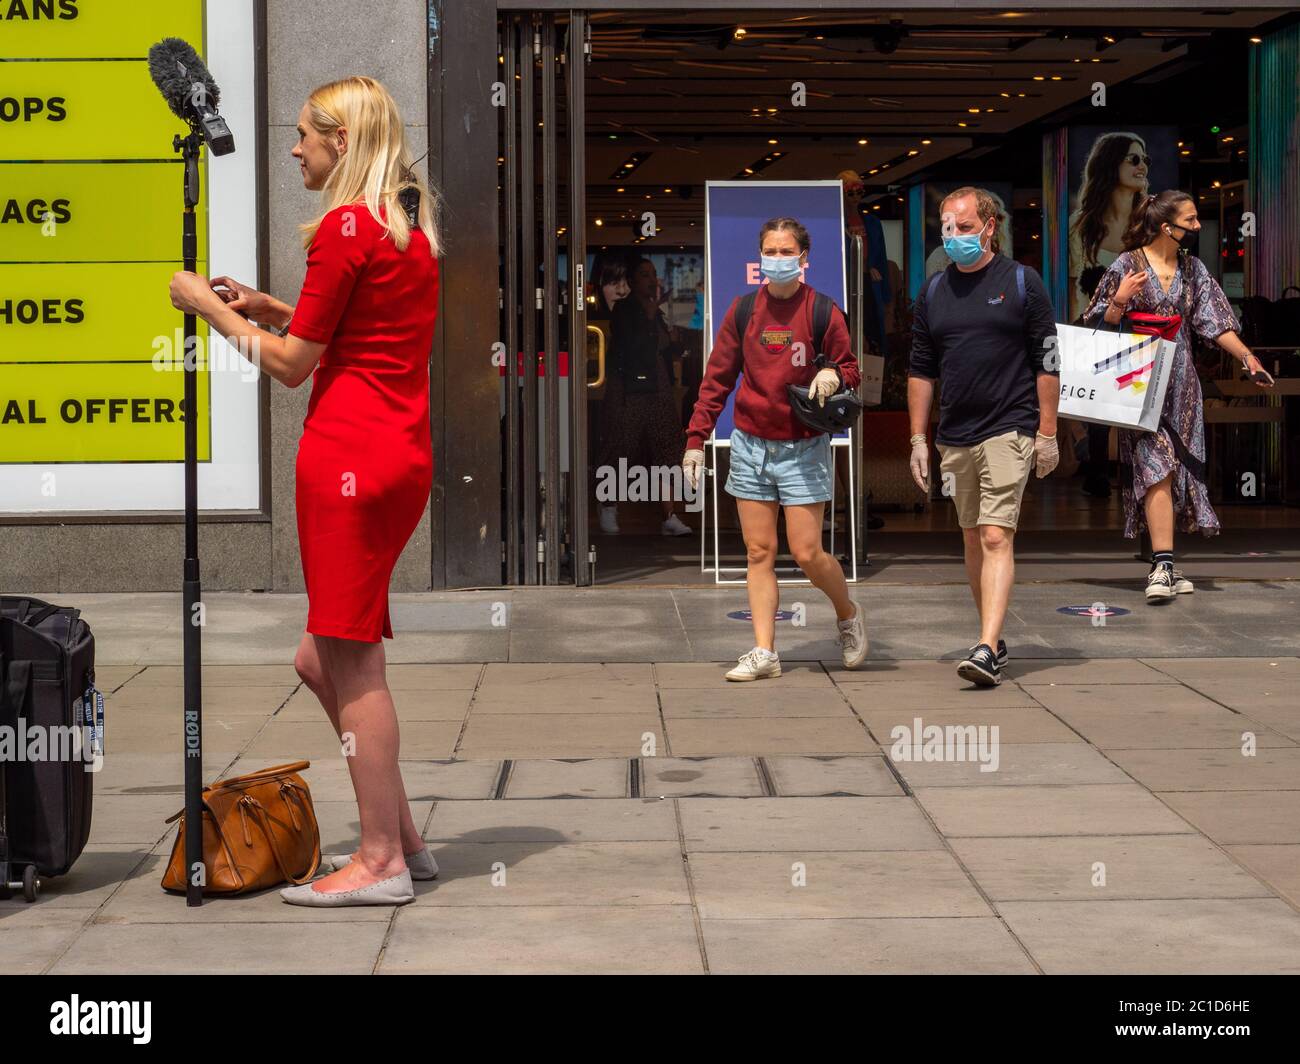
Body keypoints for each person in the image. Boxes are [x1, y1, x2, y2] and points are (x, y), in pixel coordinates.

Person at [169, 76, 439, 906]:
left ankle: (382, 861)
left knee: (354, 664)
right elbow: (355, 330)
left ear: (343, 141)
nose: (294, 150)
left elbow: (292, 368)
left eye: (303, 137)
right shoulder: (405, 226)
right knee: (317, 657)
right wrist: (268, 304)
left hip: (346, 460)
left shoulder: (342, 227)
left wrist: (211, 312)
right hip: (397, 455)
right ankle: (405, 838)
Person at [682, 216, 867, 681]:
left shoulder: (823, 310)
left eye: (788, 252)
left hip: (803, 446)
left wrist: (834, 374)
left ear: (804, 259)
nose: (778, 260)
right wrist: (695, 440)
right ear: (759, 257)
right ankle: (765, 651)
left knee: (807, 553)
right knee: (758, 551)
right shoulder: (743, 310)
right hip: (750, 444)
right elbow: (716, 379)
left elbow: (851, 367)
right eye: (771, 251)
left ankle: (847, 614)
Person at [1082, 189, 1274, 602]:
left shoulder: (1193, 269)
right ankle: (1163, 565)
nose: (1197, 226)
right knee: (1156, 468)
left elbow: (1214, 323)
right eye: (1190, 221)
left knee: (1178, 470)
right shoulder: (1126, 264)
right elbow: (1096, 321)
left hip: (1182, 383)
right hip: (1139, 380)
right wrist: (1119, 300)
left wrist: (1248, 358)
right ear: (1166, 226)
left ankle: (1166, 563)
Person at [907, 187, 1060, 687]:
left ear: (990, 227)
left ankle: (987, 647)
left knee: (996, 533)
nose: (954, 237)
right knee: (972, 535)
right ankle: (990, 639)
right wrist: (916, 439)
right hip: (955, 431)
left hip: (1008, 425)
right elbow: (921, 370)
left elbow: (1047, 361)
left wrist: (1048, 432)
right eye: (947, 228)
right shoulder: (933, 291)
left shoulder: (1021, 281)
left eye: (964, 227)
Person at [596, 257, 692, 536]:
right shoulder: (624, 310)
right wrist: (650, 317)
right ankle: (608, 506)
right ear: (633, 281)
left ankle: (669, 516)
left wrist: (674, 339)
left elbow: (667, 352)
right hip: (629, 389)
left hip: (659, 388)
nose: (651, 280)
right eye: (644, 275)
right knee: (621, 445)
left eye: (653, 274)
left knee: (667, 447)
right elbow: (630, 347)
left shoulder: (660, 313)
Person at [1068, 131, 1150, 321]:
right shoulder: (1078, 226)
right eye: (1134, 159)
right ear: (1110, 163)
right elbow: (1074, 295)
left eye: (1146, 160)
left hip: (1145, 330)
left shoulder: (1151, 220)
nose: (1143, 167)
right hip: (1098, 333)